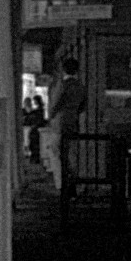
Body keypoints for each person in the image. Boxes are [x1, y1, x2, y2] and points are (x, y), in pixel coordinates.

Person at [44, 57, 84, 194]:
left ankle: (61, 184)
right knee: (71, 154)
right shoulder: (80, 86)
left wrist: (50, 116)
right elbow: (82, 106)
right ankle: (72, 183)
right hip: (73, 122)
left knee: (55, 152)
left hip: (59, 123)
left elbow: (55, 104)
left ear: (63, 69)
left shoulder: (61, 85)